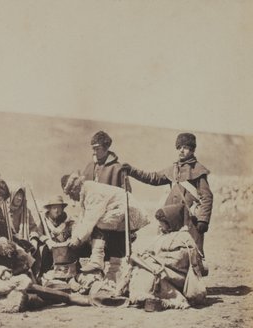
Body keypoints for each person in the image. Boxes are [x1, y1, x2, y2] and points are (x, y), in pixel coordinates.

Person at [122, 133, 213, 275]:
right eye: (179, 147)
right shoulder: (173, 169)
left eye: (186, 147)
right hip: (172, 219)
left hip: (190, 221)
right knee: (169, 252)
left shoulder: (198, 170)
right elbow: (153, 178)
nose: (181, 150)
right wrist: (132, 171)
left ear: (193, 150)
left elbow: (207, 197)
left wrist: (203, 220)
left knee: (192, 253)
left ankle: (194, 285)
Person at [61, 172, 149, 274]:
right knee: (106, 233)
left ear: (75, 189)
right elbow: (83, 218)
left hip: (130, 211)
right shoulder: (86, 192)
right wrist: (74, 237)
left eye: (70, 194)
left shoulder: (93, 192)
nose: (71, 198)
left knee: (98, 222)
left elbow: (91, 218)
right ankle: (111, 268)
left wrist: (78, 239)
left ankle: (97, 261)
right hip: (120, 211)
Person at [128, 204, 206, 309]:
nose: (159, 226)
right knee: (136, 268)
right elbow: (153, 251)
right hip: (163, 271)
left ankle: (163, 301)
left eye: (162, 224)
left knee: (148, 274)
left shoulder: (183, 238)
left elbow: (177, 262)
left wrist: (152, 260)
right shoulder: (165, 236)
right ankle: (141, 297)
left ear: (171, 223)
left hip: (177, 276)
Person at [82, 131, 133, 265]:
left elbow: (127, 197)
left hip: (111, 222)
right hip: (92, 219)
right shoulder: (88, 167)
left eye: (97, 148)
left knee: (112, 259)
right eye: (92, 148)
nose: (94, 152)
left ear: (106, 148)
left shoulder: (117, 169)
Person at [37, 195, 75, 279]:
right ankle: (44, 275)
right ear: (49, 209)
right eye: (54, 208)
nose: (57, 211)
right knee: (44, 250)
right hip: (49, 249)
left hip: (64, 250)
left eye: (59, 208)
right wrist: (47, 241)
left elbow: (73, 231)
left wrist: (69, 239)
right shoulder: (43, 220)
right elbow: (39, 233)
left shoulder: (67, 220)